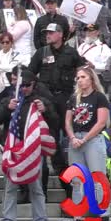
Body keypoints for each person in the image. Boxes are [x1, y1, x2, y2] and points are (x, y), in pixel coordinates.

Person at [28, 23, 88, 196]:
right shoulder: (42, 53)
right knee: (50, 142)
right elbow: (30, 74)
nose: (48, 35)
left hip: (66, 99)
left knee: (68, 141)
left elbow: (82, 72)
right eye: (46, 32)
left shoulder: (71, 53)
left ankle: (72, 189)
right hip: (47, 100)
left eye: (51, 32)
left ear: (61, 34)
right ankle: (44, 191)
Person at [0, 70, 55, 221]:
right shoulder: (10, 99)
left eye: (27, 85)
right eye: (21, 85)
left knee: (36, 188)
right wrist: (7, 108)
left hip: (33, 150)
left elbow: (55, 121)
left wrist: (46, 111)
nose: (24, 89)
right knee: (10, 187)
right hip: (13, 149)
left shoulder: (40, 101)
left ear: (33, 84)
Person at [65, 67, 110, 210]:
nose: (80, 80)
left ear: (91, 79)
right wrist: (72, 138)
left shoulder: (99, 97)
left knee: (97, 179)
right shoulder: (73, 98)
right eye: (78, 78)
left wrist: (84, 140)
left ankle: (101, 215)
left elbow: (101, 122)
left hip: (93, 139)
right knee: (77, 180)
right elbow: (67, 121)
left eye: (83, 77)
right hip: (75, 139)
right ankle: (78, 214)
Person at [0, 32, 20, 104]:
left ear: (11, 43)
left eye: (7, 42)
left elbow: (12, 68)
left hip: (9, 84)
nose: (5, 44)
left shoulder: (16, 54)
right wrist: (4, 67)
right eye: (3, 42)